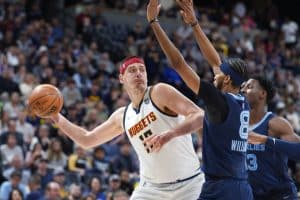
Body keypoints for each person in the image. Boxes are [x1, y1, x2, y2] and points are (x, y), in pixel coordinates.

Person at [48, 56, 205, 200]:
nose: (138, 73)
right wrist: (57, 117)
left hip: (189, 185)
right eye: (132, 70)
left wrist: (170, 134)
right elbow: (87, 140)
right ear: (121, 78)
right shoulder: (122, 116)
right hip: (151, 190)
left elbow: (199, 115)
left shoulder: (159, 92)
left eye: (141, 70)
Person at [146, 0, 252, 199]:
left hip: (221, 189)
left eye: (220, 73)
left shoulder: (217, 101)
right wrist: (194, 23)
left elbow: (179, 65)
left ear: (227, 79)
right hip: (242, 187)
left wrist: (154, 22)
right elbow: (215, 61)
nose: (215, 73)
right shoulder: (241, 101)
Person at [241, 75, 300, 199]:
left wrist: (266, 140)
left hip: (281, 194)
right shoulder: (237, 124)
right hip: (253, 195)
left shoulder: (275, 123)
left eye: (249, 87)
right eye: (243, 87)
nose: (243, 90)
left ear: (262, 94)